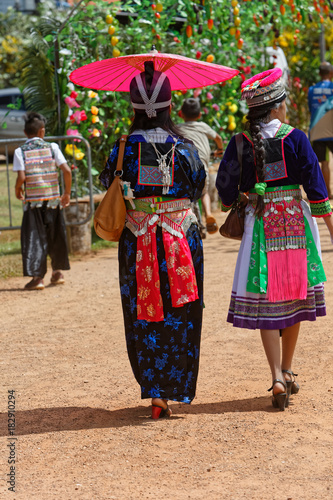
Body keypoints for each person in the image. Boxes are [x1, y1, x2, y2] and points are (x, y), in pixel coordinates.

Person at [216, 68, 333, 411]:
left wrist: (244, 197)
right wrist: (330, 228)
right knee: (295, 297)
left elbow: (225, 192)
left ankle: (276, 377)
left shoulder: (240, 143)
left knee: (268, 301)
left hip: (259, 226)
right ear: (278, 107)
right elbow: (317, 190)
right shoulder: (296, 138)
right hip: (296, 225)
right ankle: (287, 367)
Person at [100, 62, 206, 419]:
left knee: (142, 312)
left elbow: (106, 182)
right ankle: (174, 386)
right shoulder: (186, 148)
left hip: (137, 239)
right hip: (180, 239)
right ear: (170, 105)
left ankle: (154, 390)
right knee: (182, 311)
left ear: (133, 108)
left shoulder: (121, 149)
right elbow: (197, 185)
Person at [13, 112, 72, 290]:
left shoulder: (19, 151)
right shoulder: (52, 147)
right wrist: (66, 193)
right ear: (42, 131)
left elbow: (22, 177)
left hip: (33, 203)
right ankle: (57, 273)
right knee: (56, 236)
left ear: (25, 133)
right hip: (53, 201)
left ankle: (38, 278)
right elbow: (67, 171)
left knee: (34, 239)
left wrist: (17, 189)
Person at [179, 97, 223, 237]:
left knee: (186, 195)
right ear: (199, 115)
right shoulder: (203, 126)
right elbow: (218, 138)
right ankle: (208, 214)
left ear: (181, 114)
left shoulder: (178, 128)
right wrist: (220, 149)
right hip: (201, 166)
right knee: (204, 193)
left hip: (184, 168)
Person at [308, 61, 333, 198]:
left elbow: (311, 109)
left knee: (324, 162)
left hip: (317, 130)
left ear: (319, 74)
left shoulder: (312, 90)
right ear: (331, 73)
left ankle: (327, 193)